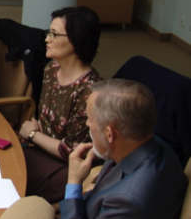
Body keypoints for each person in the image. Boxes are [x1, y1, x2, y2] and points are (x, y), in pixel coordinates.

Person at [61, 79, 188, 219]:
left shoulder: (127, 202)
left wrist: (73, 181)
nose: (87, 124)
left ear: (109, 134)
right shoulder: (155, 144)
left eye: (90, 119)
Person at [18, 6, 103, 203]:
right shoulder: (51, 68)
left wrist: (32, 134)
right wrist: (36, 135)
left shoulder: (90, 91)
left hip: (70, 169)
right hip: (39, 149)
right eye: (49, 33)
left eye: (54, 35)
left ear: (76, 40)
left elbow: (72, 152)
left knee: (10, 175)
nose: (47, 39)